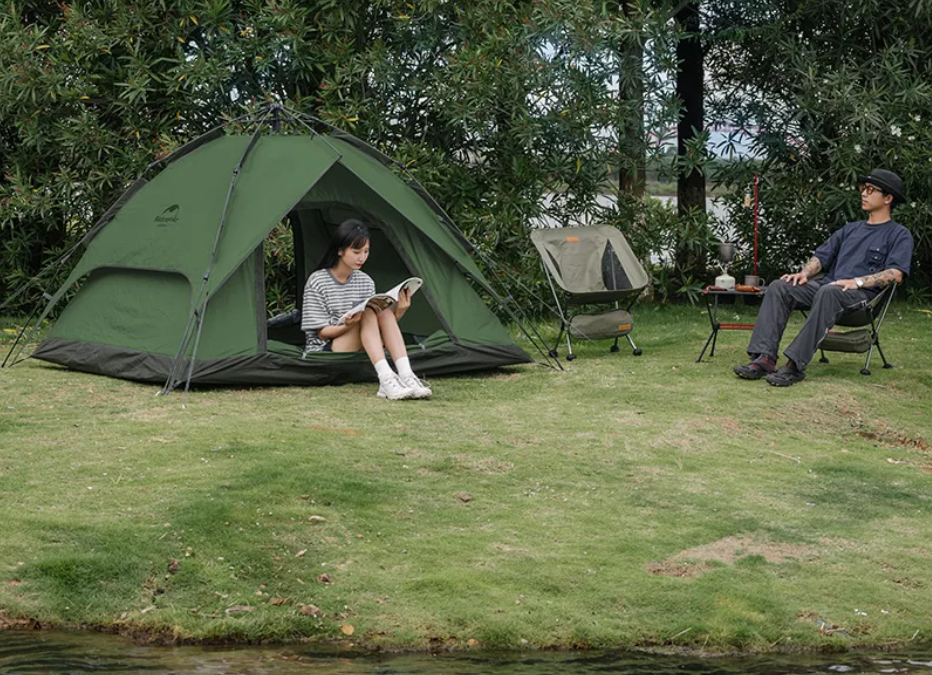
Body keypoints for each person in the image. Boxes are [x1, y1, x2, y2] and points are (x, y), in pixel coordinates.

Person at [733, 168, 913, 387]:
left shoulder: (899, 234)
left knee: (829, 292)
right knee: (780, 286)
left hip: (861, 298)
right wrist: (804, 273)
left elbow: (895, 274)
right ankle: (765, 358)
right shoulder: (850, 229)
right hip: (827, 288)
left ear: (888, 198)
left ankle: (794, 366)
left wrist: (856, 282)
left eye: (870, 190)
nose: (863, 193)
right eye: (863, 188)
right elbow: (821, 256)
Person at [301, 219, 431, 400]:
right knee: (369, 311)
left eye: (366, 251)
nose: (362, 257)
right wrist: (348, 325)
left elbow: (374, 329)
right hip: (326, 347)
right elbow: (321, 334)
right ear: (340, 250)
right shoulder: (318, 281)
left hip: (361, 342)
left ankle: (406, 374)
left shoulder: (366, 281)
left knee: (381, 309)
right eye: (356, 252)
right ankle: (386, 378)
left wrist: (400, 311)